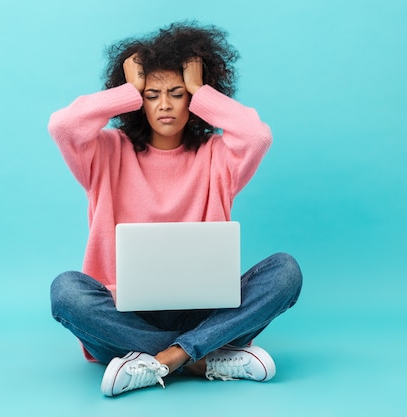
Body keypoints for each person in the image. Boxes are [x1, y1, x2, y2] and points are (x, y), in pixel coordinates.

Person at [48, 21, 302, 397]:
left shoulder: (218, 157)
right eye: (151, 94)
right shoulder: (105, 152)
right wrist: (127, 89)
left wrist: (202, 89)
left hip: (203, 311)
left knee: (285, 272)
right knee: (65, 291)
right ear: (137, 102)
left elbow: (257, 136)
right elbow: (63, 126)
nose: (165, 104)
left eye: (177, 93)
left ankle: (163, 359)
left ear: (193, 101)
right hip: (123, 317)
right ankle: (200, 356)